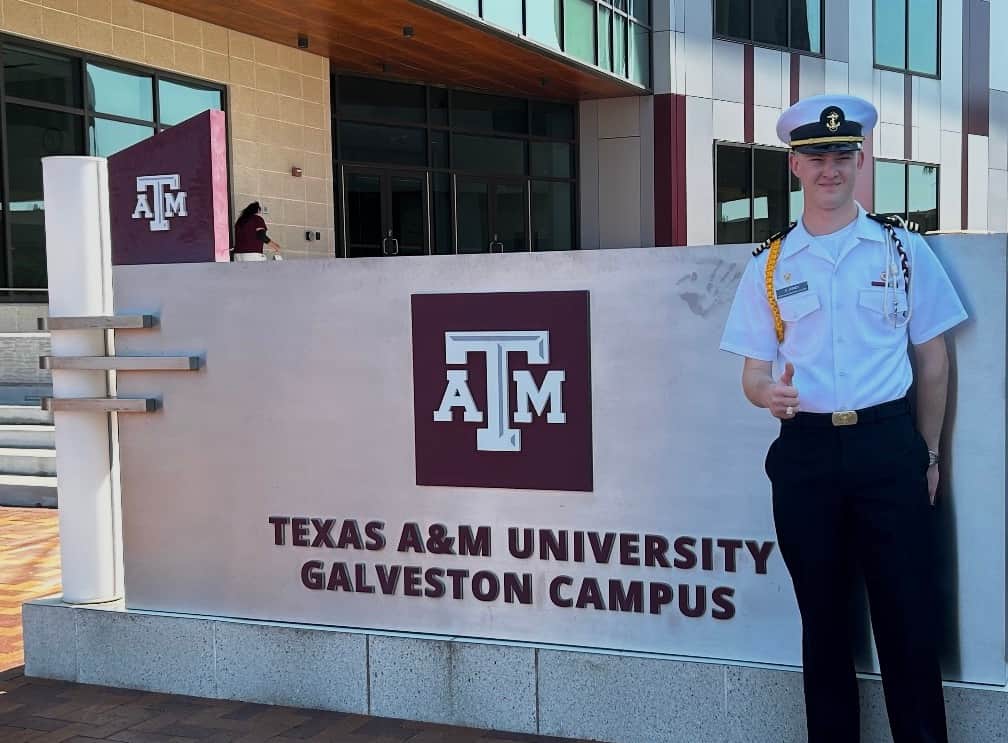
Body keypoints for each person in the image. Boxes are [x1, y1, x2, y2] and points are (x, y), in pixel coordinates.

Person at [720, 94, 967, 743]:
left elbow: (933, 358)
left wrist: (930, 452)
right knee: (823, 625)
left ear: (858, 161)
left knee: (909, 625)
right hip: (805, 455)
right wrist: (765, 393)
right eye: (814, 156)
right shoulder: (770, 265)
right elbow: (752, 371)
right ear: (794, 166)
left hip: (890, 447)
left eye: (840, 154)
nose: (829, 167)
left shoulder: (900, 250)